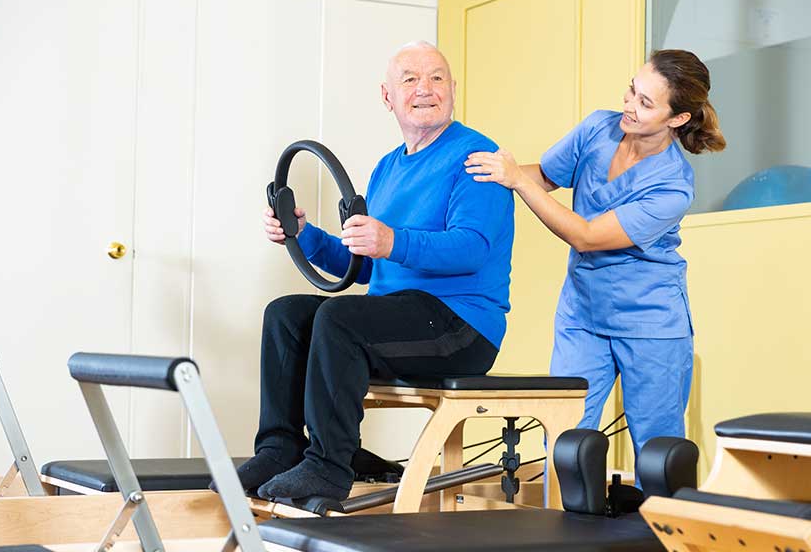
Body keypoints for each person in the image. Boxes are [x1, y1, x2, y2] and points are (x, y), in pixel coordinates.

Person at [234, 41, 514, 502]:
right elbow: (363, 266)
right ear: (388, 97)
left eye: (437, 78)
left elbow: (472, 249)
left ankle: (328, 467)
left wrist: (392, 240)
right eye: (410, 79)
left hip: (462, 325)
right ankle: (281, 447)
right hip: (399, 312)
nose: (426, 89)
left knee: (339, 320)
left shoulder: (476, 156)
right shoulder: (388, 167)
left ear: (454, 90)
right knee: (285, 313)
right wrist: (303, 234)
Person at [464, 49, 726, 469]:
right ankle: (563, 531)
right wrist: (475, 176)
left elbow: (584, 236)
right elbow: (544, 177)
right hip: (583, 313)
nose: (628, 105)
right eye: (631, 90)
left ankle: (659, 533)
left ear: (677, 119)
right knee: (565, 438)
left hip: (650, 322)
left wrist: (515, 180)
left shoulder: (673, 186)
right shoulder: (597, 129)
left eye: (645, 103)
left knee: (658, 454)